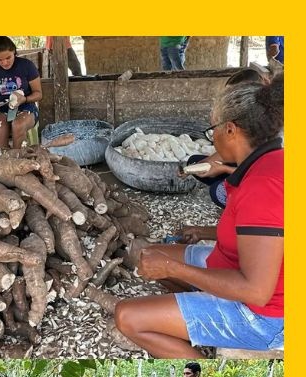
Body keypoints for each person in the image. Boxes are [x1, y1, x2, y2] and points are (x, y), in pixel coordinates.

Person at [114, 74, 284, 357]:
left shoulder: (263, 186)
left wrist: (173, 269)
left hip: (265, 317)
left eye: (212, 129)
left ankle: (201, 371)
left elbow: (256, 291)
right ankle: (198, 304)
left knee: (127, 316)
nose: (212, 137)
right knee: (143, 253)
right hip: (233, 266)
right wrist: (203, 233)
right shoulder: (264, 162)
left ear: (230, 130)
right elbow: (253, 234)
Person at [180, 68, 271, 209]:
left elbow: (262, 177)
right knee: (195, 162)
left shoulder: (268, 127)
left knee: (219, 192)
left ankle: (245, 207)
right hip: (247, 170)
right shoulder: (243, 121)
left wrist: (223, 169)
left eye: (232, 97)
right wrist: (190, 169)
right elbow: (226, 154)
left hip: (267, 186)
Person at [0, 36, 42, 151]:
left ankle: (19, 163)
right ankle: (3, 164)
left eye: (8, 57)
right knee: (0, 127)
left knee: (18, 125)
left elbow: (38, 94)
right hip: (1, 109)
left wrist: (25, 99)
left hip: (26, 107)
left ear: (14, 51)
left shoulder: (27, 66)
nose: (4, 62)